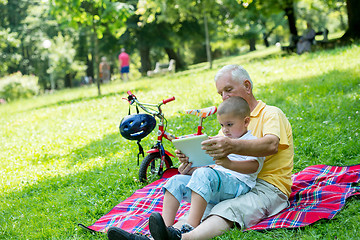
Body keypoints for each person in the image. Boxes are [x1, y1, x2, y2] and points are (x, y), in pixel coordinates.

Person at [107, 64, 294, 240]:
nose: (224, 97)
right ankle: (157, 236)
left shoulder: (270, 113)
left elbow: (271, 145)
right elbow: (214, 167)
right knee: (200, 201)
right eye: (221, 93)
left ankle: (183, 237)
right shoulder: (229, 124)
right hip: (229, 182)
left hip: (268, 187)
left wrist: (229, 147)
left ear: (247, 86)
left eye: (228, 90)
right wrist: (191, 166)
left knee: (226, 209)